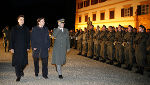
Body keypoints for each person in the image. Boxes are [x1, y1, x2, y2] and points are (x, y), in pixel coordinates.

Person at [9, 15, 30, 81]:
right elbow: (11, 38)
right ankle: (18, 76)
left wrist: (28, 47)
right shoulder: (14, 28)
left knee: (24, 63)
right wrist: (11, 48)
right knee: (17, 63)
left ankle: (21, 71)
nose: (22, 20)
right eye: (21, 19)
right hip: (16, 48)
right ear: (18, 20)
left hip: (24, 48)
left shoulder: (26, 28)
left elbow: (28, 39)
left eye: (23, 19)